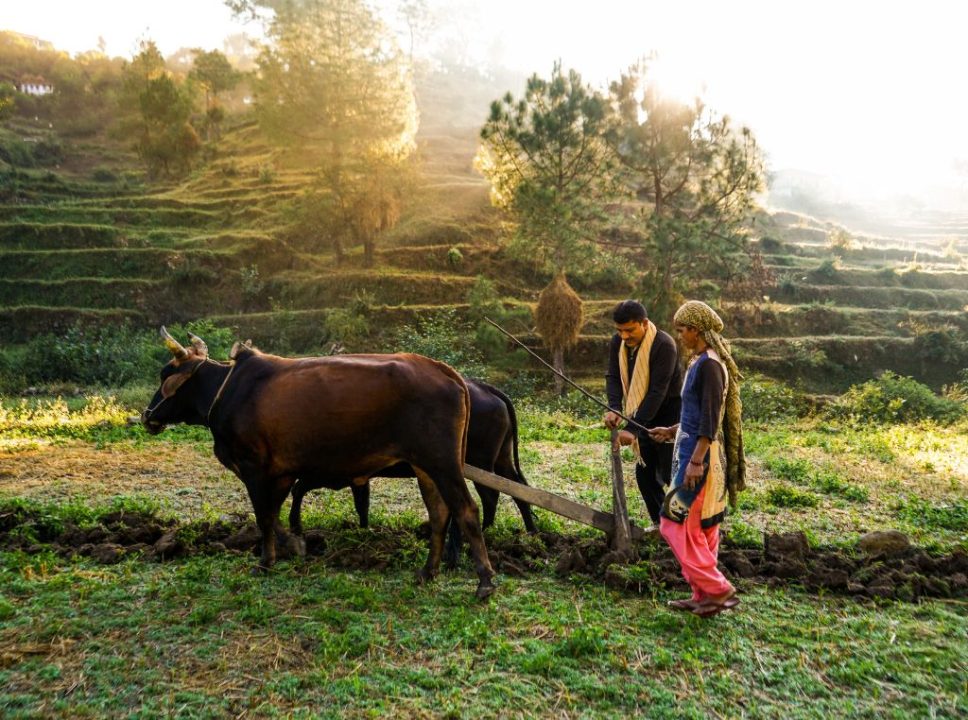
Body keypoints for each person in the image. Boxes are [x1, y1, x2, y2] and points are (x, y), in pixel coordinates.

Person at [648, 300, 746, 618]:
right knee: (702, 530)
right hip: (694, 454)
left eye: (682, 330)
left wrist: (696, 461)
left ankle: (717, 589)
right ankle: (703, 595)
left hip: (698, 462)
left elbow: (710, 419)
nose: (679, 336)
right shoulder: (701, 362)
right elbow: (695, 416)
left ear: (696, 330)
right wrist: (671, 430)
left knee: (671, 522)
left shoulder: (710, 366)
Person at [604, 300, 682, 526]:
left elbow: (658, 391)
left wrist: (631, 428)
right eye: (619, 331)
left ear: (644, 323)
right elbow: (613, 376)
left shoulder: (663, 345)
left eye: (629, 330)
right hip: (640, 416)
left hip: (669, 417)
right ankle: (663, 526)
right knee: (645, 477)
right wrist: (614, 407)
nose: (624, 336)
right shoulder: (618, 343)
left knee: (671, 475)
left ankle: (688, 528)